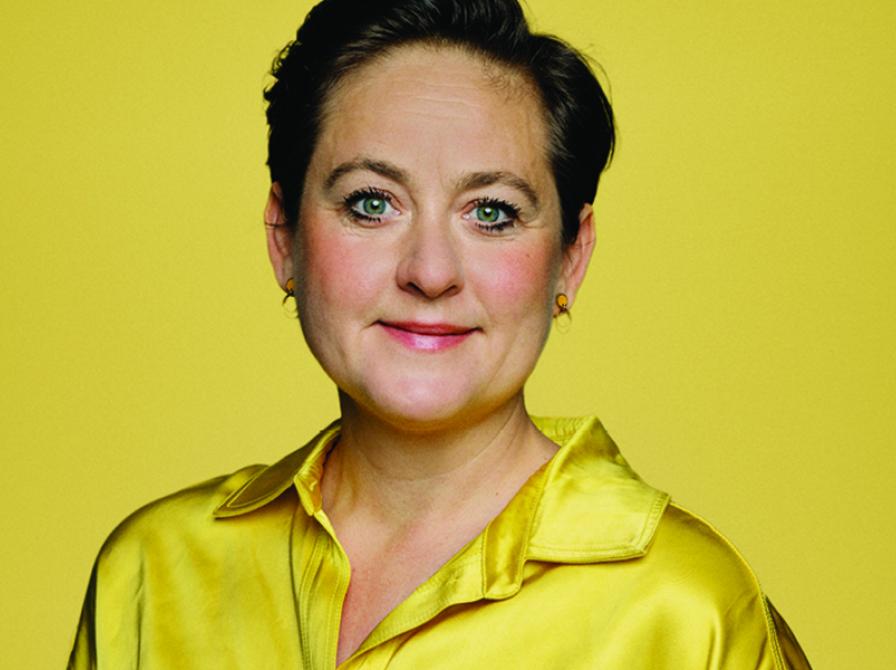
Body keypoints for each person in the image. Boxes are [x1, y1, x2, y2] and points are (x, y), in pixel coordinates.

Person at [69, 0, 811, 667]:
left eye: (491, 212)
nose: (430, 272)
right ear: (283, 237)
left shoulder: (689, 611)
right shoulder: (151, 572)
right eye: (371, 203)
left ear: (571, 257)